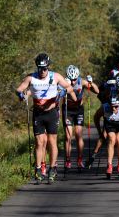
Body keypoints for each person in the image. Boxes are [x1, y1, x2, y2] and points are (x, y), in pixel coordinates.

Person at [16, 53, 77, 184]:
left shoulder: (55, 76)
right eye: (40, 68)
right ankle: (38, 169)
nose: (42, 71)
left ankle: (53, 168)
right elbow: (19, 89)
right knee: (39, 142)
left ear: (48, 67)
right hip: (38, 113)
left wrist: (62, 92)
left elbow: (69, 87)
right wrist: (21, 95)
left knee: (51, 141)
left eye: (44, 68)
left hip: (52, 113)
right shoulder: (31, 78)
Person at [62, 65, 99, 172]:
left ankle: (79, 160)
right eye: (71, 79)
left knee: (78, 134)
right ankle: (68, 161)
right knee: (68, 136)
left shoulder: (81, 82)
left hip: (78, 110)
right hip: (67, 110)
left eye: (74, 79)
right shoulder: (64, 82)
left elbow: (96, 91)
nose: (73, 82)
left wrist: (91, 83)